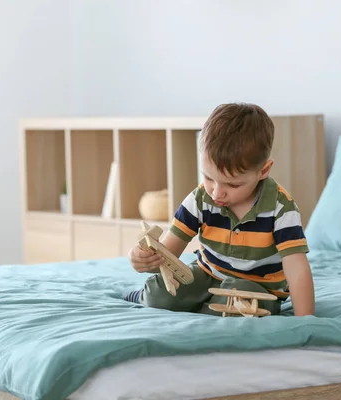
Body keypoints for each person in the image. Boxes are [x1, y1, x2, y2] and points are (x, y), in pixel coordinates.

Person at [124, 103, 315, 316]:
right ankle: (153, 297)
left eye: (232, 185)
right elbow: (168, 253)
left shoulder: (281, 208)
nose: (216, 193)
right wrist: (143, 258)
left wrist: (305, 319)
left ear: (263, 171)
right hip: (208, 274)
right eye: (208, 178)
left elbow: (297, 268)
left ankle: (207, 307)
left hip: (257, 288)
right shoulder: (200, 199)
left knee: (242, 304)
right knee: (158, 295)